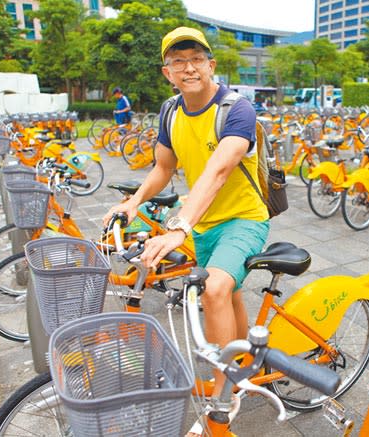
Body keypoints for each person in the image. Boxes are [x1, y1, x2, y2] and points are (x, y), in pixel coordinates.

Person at [102, 25, 269, 410]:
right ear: (167, 72)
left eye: (196, 60)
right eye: (178, 61)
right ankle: (244, 363)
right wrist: (134, 202)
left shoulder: (236, 108)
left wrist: (178, 226)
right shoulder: (171, 111)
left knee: (213, 290)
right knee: (228, 291)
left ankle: (222, 397)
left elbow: (220, 170)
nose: (188, 68)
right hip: (203, 222)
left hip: (242, 219)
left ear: (211, 65)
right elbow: (163, 167)